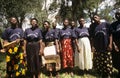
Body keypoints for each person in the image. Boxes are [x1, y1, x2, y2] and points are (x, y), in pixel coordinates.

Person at [110, 9, 120, 78]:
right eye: (116, 14)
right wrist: (114, 45)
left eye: (119, 14)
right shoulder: (113, 25)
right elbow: (111, 35)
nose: (118, 15)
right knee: (117, 59)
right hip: (116, 43)